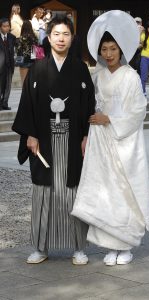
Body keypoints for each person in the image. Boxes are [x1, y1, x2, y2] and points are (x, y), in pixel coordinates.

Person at [12, 14, 95, 265]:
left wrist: (85, 135)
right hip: (44, 139)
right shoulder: (37, 69)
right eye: (56, 34)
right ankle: (41, 246)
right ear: (48, 38)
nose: (61, 38)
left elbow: (88, 103)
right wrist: (30, 134)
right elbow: (27, 104)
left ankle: (79, 248)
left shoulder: (80, 68)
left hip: (72, 140)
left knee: (73, 191)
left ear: (72, 39)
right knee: (43, 192)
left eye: (66, 34)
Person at [72, 10, 149, 266]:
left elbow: (138, 110)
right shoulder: (98, 74)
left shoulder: (131, 76)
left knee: (125, 190)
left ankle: (126, 245)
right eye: (104, 48)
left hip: (124, 140)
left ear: (121, 50)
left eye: (113, 48)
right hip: (102, 141)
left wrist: (110, 119)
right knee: (106, 191)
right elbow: (88, 100)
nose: (108, 54)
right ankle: (110, 244)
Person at [0, 18, 16, 110]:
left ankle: (5, 103)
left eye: (8, 26)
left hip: (9, 65)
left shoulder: (12, 37)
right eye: (4, 26)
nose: (7, 28)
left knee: (8, 86)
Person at [15, 20, 38, 84]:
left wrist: (17, 61)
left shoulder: (21, 38)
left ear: (23, 27)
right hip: (33, 61)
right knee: (32, 82)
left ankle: (25, 94)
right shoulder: (35, 37)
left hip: (24, 61)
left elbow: (18, 50)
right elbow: (37, 49)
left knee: (24, 82)